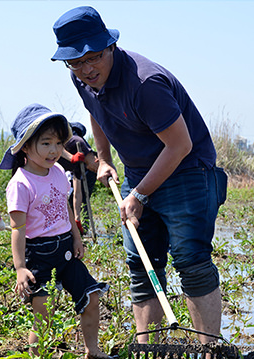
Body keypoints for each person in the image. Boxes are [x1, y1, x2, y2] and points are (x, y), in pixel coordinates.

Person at [51, 6, 228, 345]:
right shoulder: (80, 77)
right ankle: (148, 347)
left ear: (110, 47)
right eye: (75, 62)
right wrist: (103, 160)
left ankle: (210, 350)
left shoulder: (145, 84)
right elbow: (97, 113)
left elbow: (180, 146)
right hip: (138, 173)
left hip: (187, 171)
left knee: (191, 260)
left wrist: (140, 195)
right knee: (142, 263)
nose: (87, 69)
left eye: (94, 57)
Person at [0, 103, 116, 359]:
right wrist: (20, 268)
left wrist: (76, 238)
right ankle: (36, 356)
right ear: (26, 146)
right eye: (46, 143)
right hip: (39, 254)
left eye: (58, 144)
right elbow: (17, 229)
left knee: (91, 297)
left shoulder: (59, 173)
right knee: (44, 315)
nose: (54, 151)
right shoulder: (20, 183)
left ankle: (92, 350)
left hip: (65, 249)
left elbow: (65, 211)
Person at [58, 122, 98, 234]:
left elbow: (78, 193)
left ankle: (81, 228)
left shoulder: (81, 160)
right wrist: (71, 158)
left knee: (83, 199)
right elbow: (57, 146)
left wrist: (77, 217)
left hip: (74, 169)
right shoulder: (75, 142)